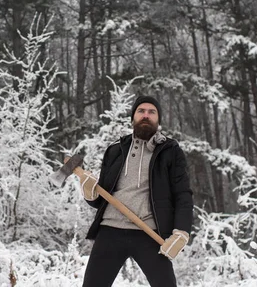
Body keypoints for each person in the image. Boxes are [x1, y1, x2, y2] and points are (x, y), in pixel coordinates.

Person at [79, 95, 194, 287]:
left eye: (151, 112)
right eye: (141, 111)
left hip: (149, 233)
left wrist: (181, 231)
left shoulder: (170, 151)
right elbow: (101, 199)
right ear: (133, 117)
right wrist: (90, 193)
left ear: (158, 119)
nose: (146, 115)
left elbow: (182, 194)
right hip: (110, 231)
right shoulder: (115, 150)